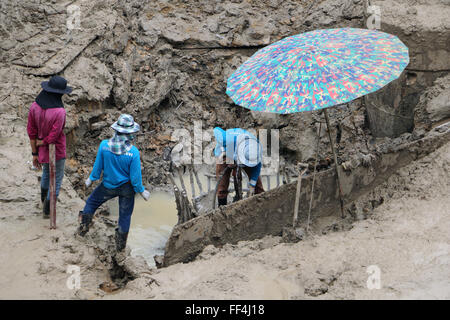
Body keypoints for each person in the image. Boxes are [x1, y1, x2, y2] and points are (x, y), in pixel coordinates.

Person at [78, 114, 150, 252]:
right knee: (125, 215)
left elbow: (98, 166)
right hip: (127, 189)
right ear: (130, 133)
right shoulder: (133, 152)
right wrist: (141, 191)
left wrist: (91, 179)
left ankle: (83, 228)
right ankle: (120, 247)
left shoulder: (104, 146)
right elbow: (135, 178)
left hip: (108, 186)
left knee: (91, 203)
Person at [26, 75, 72, 218]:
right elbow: (54, 136)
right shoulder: (60, 112)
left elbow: (31, 131)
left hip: (42, 150)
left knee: (46, 172)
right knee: (57, 178)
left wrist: (35, 152)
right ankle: (48, 210)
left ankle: (43, 201)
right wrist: (44, 141)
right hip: (56, 149)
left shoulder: (34, 106)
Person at [214, 127, 264, 206]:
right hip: (226, 152)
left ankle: (261, 206)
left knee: (258, 187)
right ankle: (222, 209)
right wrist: (224, 151)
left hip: (241, 152)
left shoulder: (256, 149)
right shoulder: (226, 139)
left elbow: (257, 166)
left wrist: (252, 185)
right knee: (222, 187)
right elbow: (216, 130)